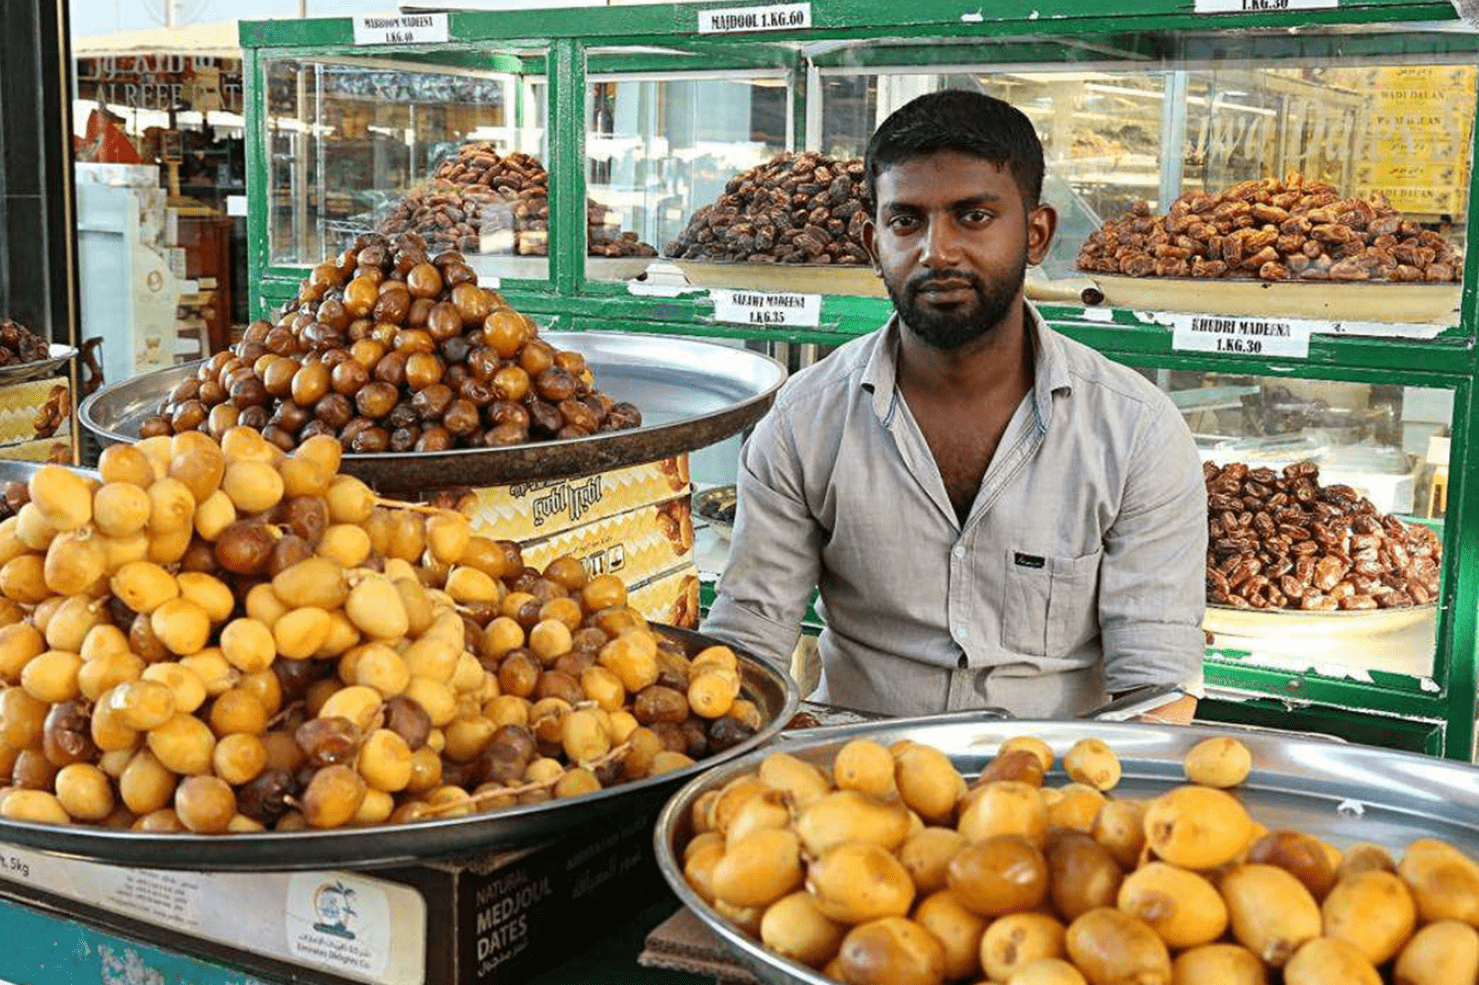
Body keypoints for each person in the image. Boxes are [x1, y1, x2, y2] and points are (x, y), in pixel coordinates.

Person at [702, 90, 1206, 722]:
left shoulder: (1136, 431)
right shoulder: (804, 421)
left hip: (1056, 784)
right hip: (853, 775)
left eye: (973, 217)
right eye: (906, 221)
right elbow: (748, 644)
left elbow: (1157, 688)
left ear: (1038, 233)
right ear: (872, 240)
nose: (936, 251)